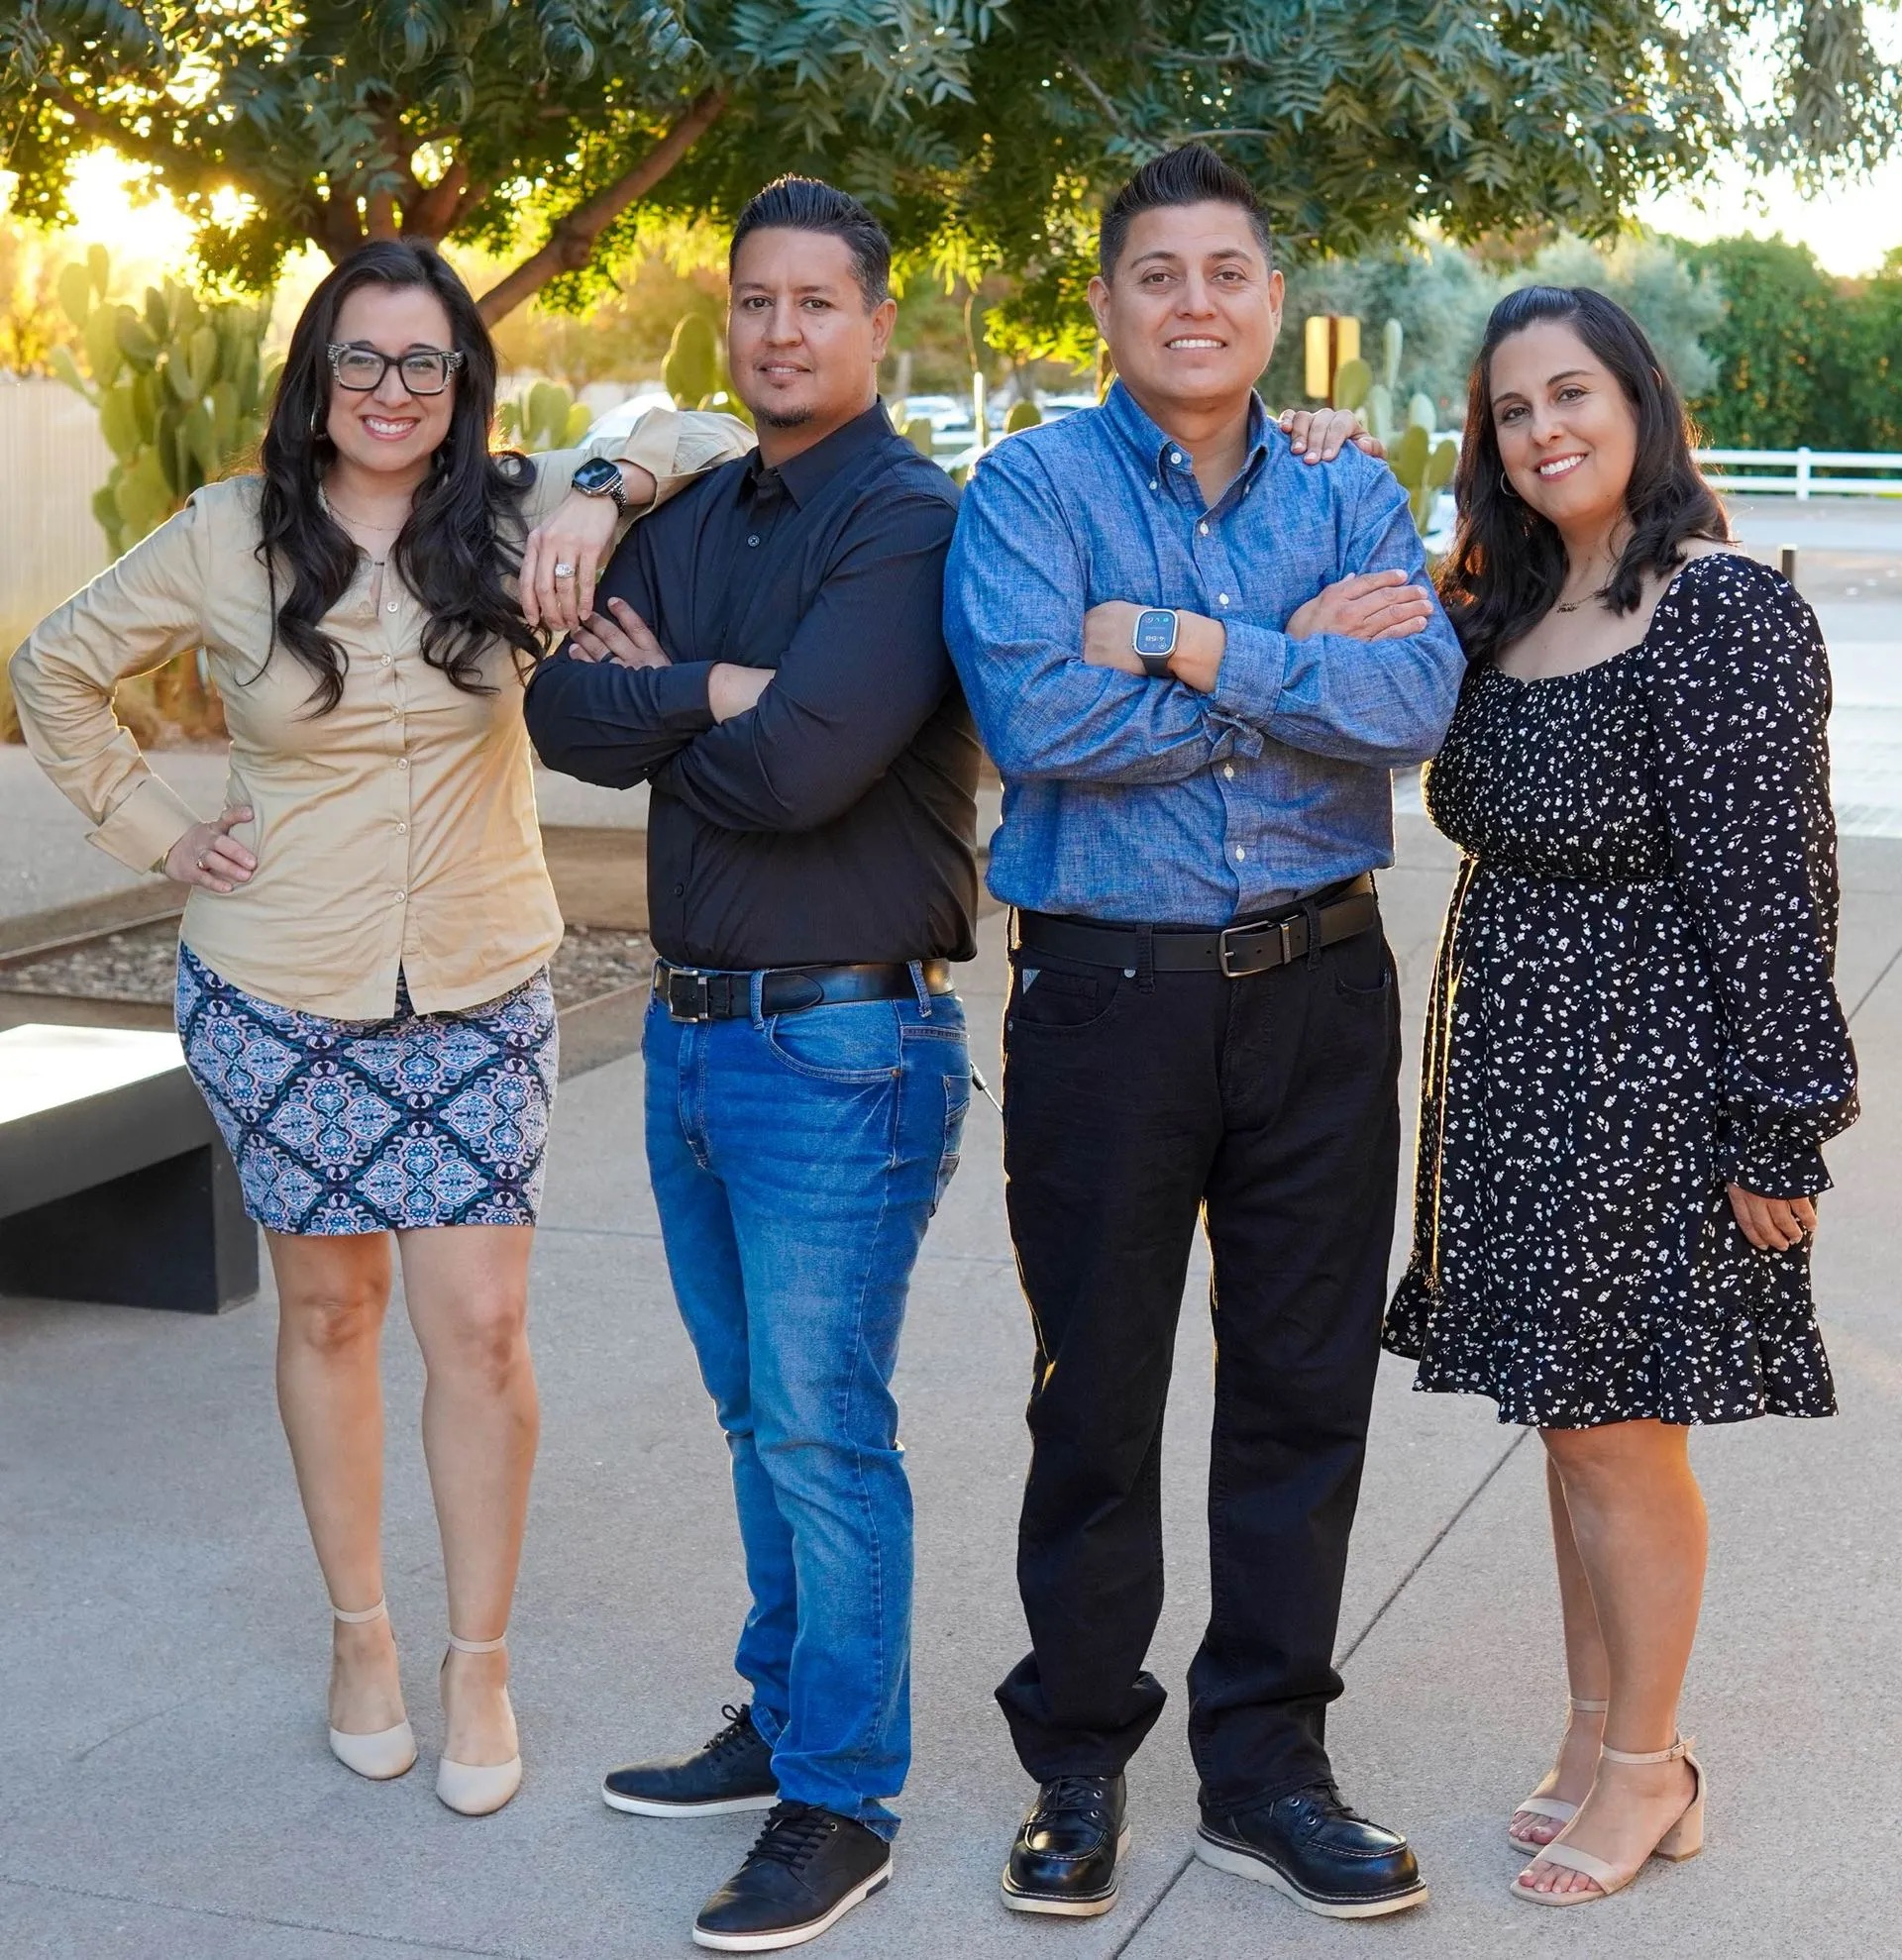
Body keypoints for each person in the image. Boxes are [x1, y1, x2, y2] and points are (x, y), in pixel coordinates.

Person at [8, 240, 747, 1816]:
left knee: (478, 1325)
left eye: (427, 363)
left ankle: (479, 1660)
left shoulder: (516, 509)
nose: (393, 391)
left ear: (464, 382)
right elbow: (56, 663)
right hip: (280, 985)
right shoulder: (226, 535)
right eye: (362, 359)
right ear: (315, 375)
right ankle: (362, 1637)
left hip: (478, 977)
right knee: (332, 1313)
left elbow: (703, 431)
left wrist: (600, 485)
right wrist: (155, 829)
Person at [942, 142, 1465, 1923]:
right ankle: (1076, 1764)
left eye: (1226, 272)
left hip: (1321, 992)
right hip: (1109, 1001)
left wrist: (1182, 640)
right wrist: (1282, 666)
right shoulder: (1028, 487)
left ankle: (1267, 1768)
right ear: (1104, 302)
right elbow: (1038, 716)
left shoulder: (1350, 490)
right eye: (1156, 273)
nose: (1193, 303)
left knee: (1303, 1393)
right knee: (1098, 1393)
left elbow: (1410, 702)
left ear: (1274, 303)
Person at [523, 177, 977, 1952]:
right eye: (755, 302)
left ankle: (842, 1797)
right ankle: (783, 1715)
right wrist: (730, 687)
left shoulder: (908, 517)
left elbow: (808, 773)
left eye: (817, 302)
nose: (782, 330)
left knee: (821, 1424)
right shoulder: (696, 498)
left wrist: (684, 698)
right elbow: (564, 710)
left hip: (846, 1041)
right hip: (693, 1028)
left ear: (875, 320)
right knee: (755, 1415)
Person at [1383, 284, 1857, 1906]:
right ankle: (1598, 1733)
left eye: (1570, 393)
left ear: (1640, 400)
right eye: (1511, 411)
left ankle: (1655, 1767)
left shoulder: (1717, 606)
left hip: (1649, 1081)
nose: (1542, 431)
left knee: (1617, 1437)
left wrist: (1779, 1118)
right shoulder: (1509, 600)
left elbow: (1775, 888)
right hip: (1520, 1075)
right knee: (1568, 1428)